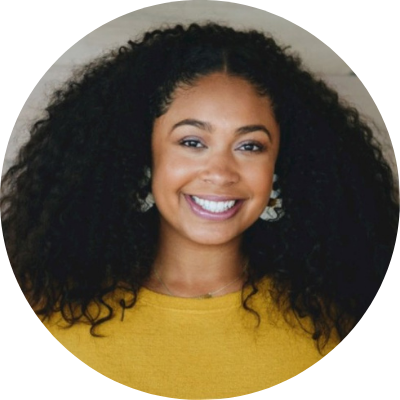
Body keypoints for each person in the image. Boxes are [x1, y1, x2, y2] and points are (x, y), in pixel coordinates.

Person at [1, 23, 398, 399]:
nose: (221, 173)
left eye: (250, 146)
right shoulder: (40, 317)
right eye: (192, 142)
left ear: (282, 167)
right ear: (142, 156)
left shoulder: (347, 322)